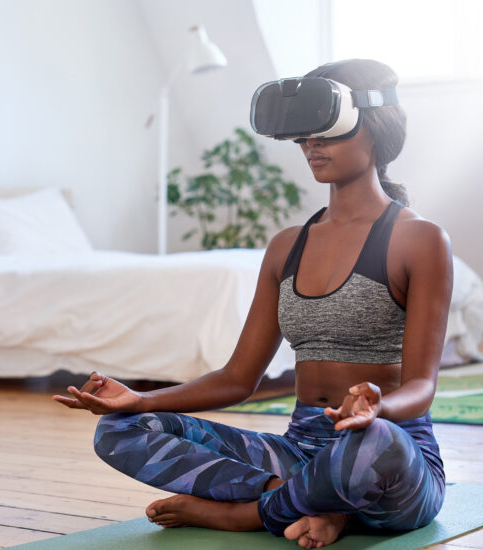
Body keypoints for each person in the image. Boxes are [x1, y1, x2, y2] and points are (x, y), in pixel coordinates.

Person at [53, 59, 453, 549]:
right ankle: (306, 503)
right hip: (300, 451)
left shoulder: (420, 239)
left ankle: (244, 514)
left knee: (378, 446)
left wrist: (378, 407)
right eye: (307, 133)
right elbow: (238, 378)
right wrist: (141, 399)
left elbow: (422, 386)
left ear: (376, 130)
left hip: (389, 457)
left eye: (328, 132)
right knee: (120, 431)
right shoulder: (287, 246)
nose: (312, 144)